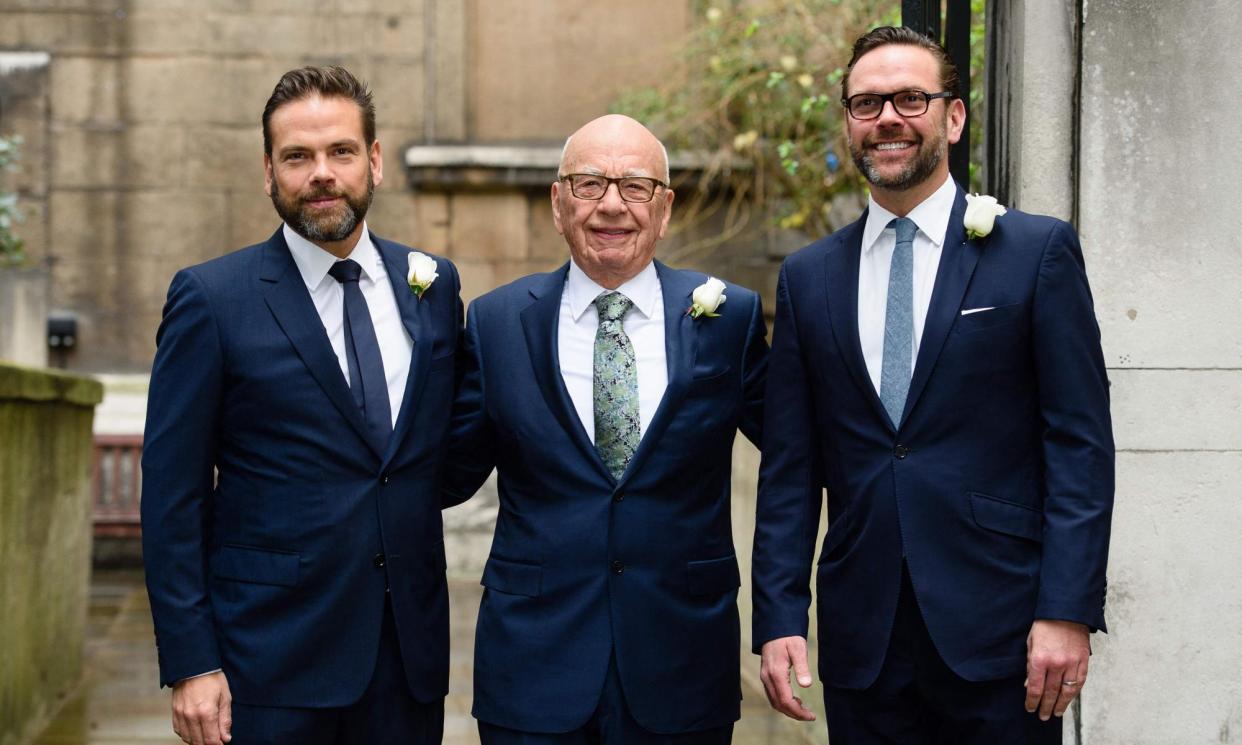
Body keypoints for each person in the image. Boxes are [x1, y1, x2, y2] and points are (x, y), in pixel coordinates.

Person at [752, 26, 1115, 744]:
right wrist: (780, 618)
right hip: (864, 639)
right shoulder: (808, 278)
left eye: (910, 99)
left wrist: (1066, 608)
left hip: (1004, 632)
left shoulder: (1035, 253)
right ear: (849, 123)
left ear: (953, 117)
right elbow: (791, 468)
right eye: (867, 104)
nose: (887, 118)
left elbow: (1078, 443)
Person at [141, 66, 461, 745]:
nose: (322, 172)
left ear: (373, 161)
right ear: (269, 172)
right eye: (298, 156)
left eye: (341, 151)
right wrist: (191, 660)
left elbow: (431, 455)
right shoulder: (212, 299)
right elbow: (173, 497)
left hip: (406, 663)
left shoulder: (431, 286)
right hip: (266, 665)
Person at [442, 114, 768, 744]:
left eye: (636, 187)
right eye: (589, 184)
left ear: (665, 208)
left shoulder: (729, 317)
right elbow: (442, 472)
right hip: (533, 671)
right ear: (559, 204)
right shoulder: (496, 322)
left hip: (682, 663)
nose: (612, 205)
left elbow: (795, 457)